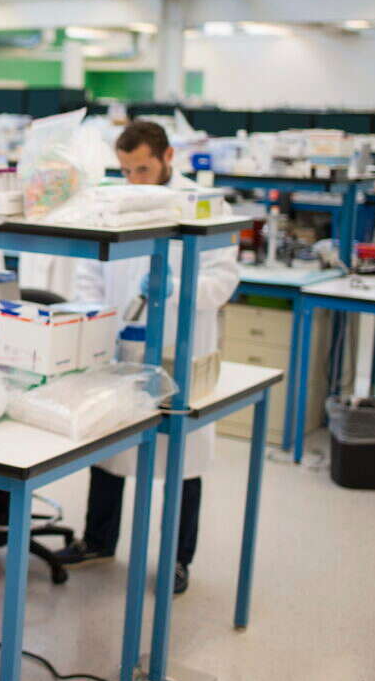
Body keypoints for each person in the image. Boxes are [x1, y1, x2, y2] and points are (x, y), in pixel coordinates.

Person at [55, 120, 239, 596]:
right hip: (122, 340)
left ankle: (177, 560)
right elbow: (91, 271)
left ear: (167, 156)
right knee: (110, 448)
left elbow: (224, 280)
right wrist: (92, 317)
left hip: (181, 343)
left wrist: (176, 289)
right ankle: (98, 541)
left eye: (142, 169)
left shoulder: (205, 203)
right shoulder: (115, 202)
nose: (134, 179)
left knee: (183, 457)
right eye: (126, 170)